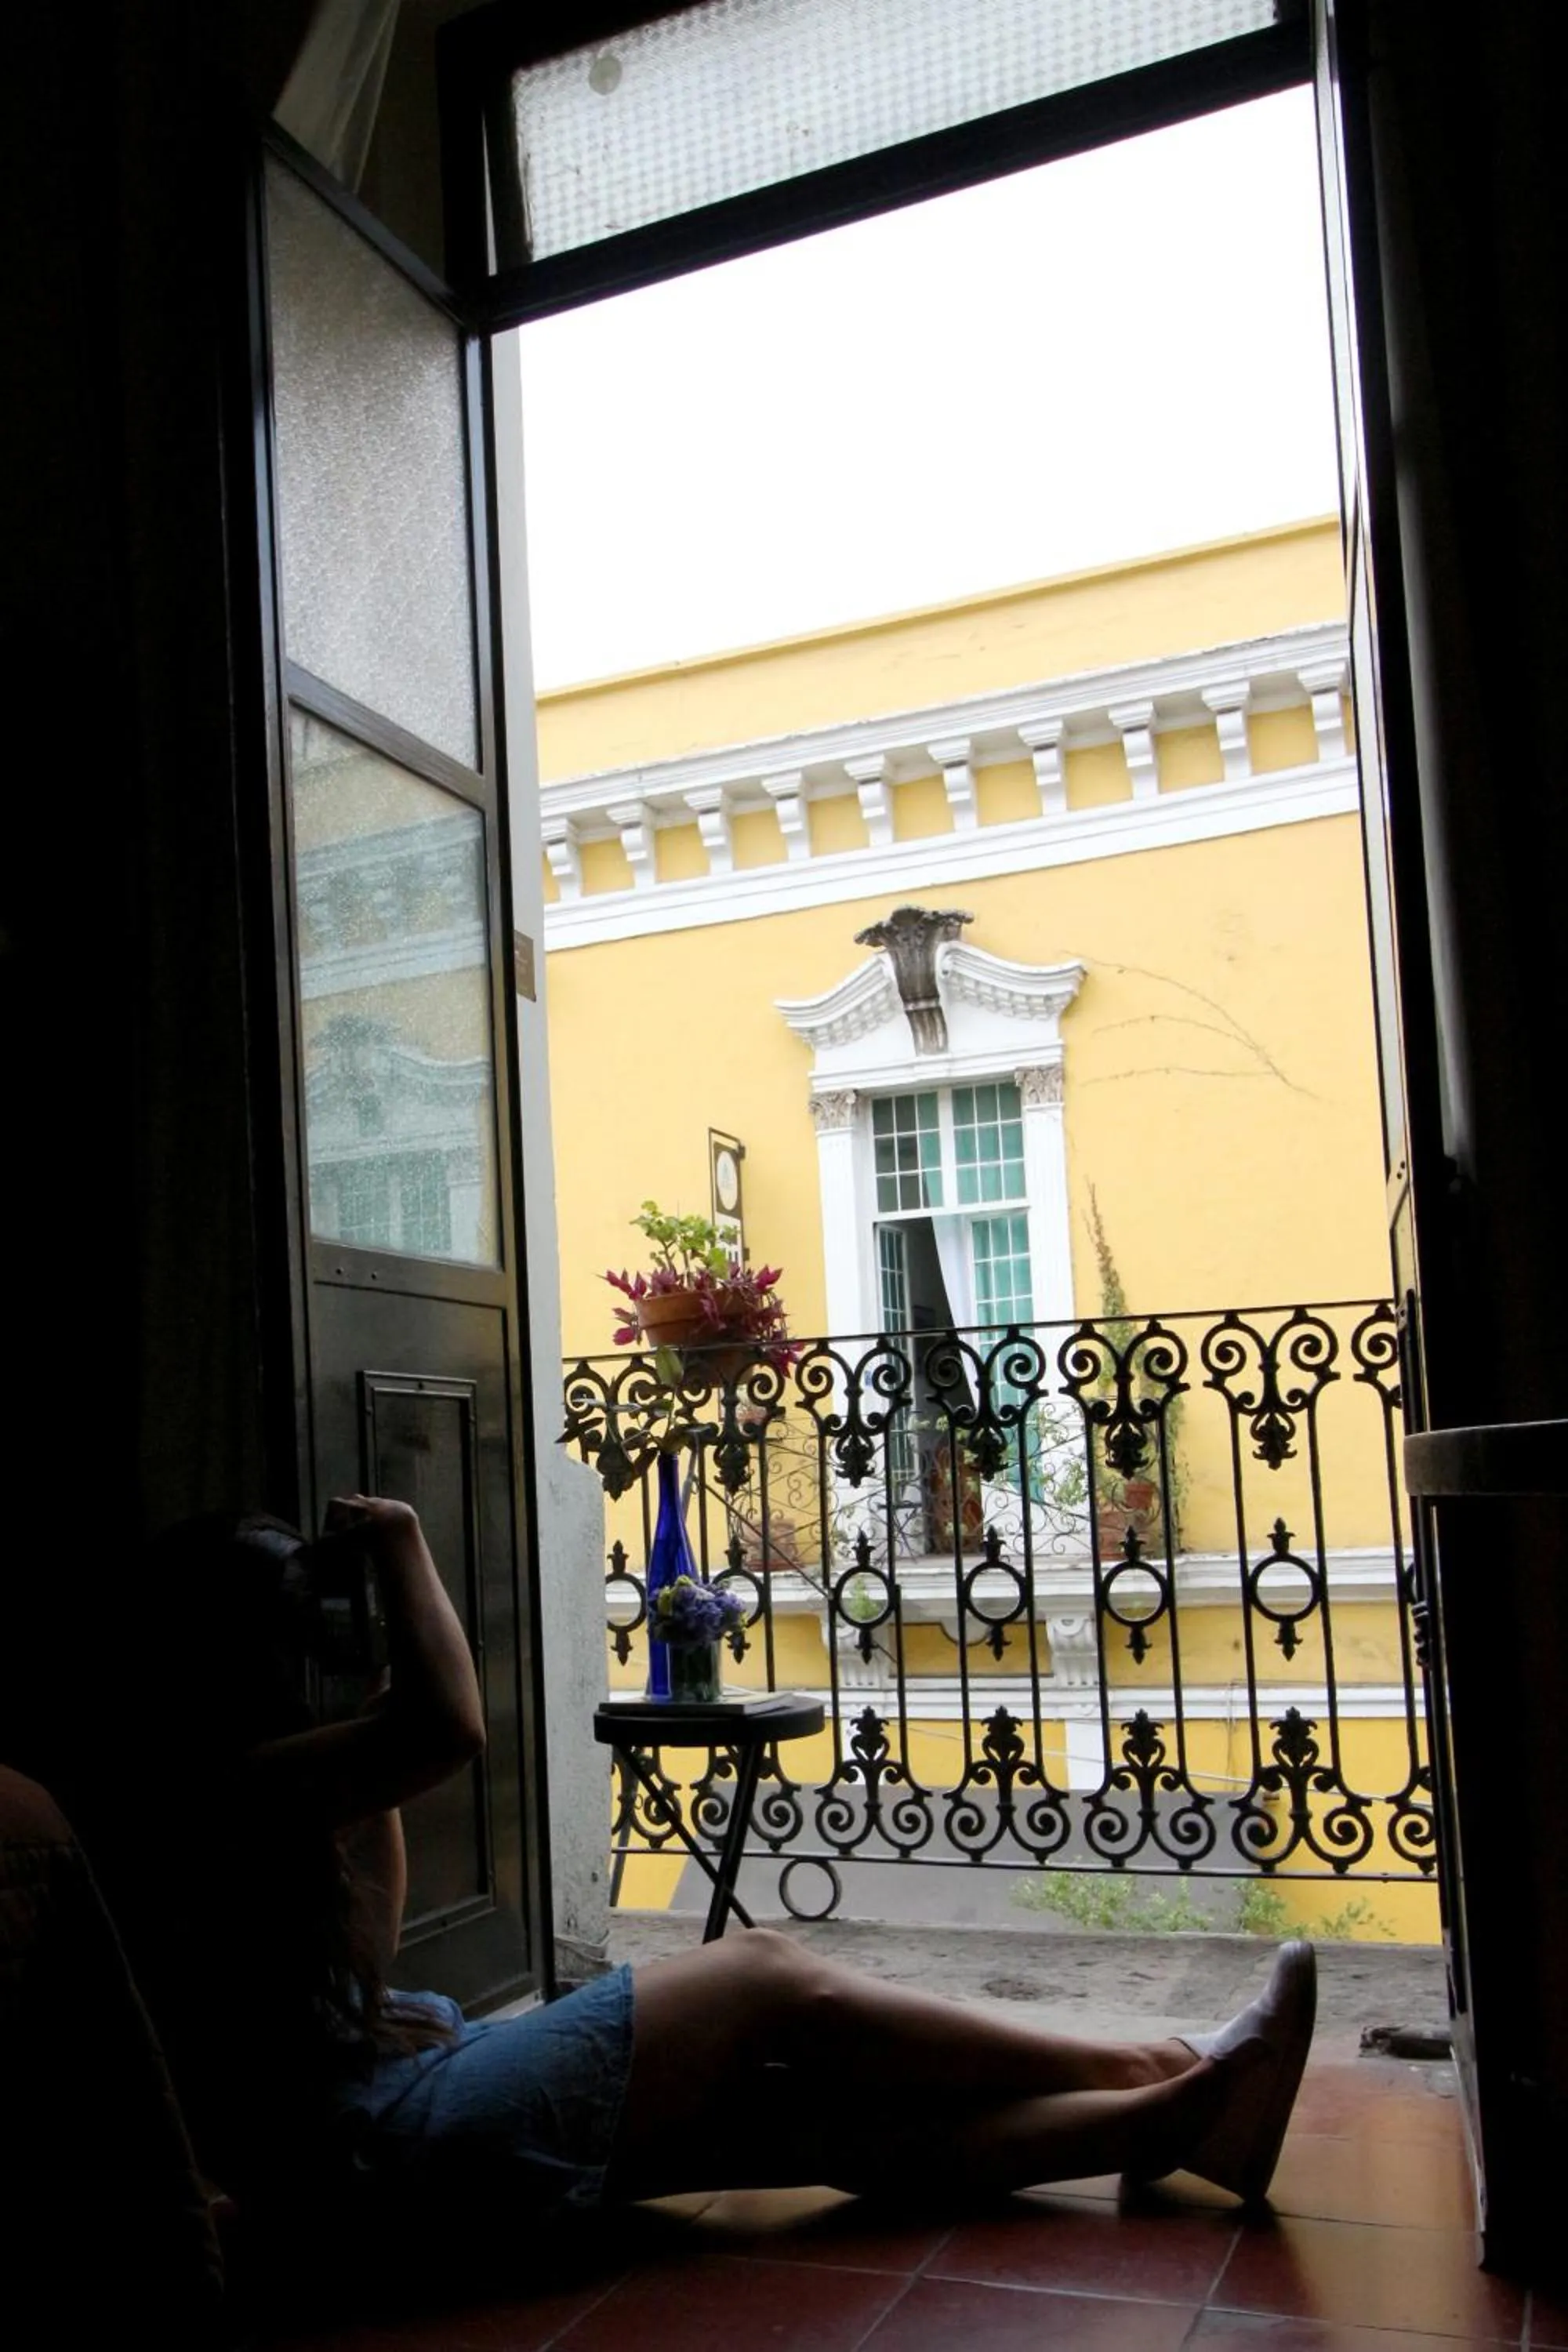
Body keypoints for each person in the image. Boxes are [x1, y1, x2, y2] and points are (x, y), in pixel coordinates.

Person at [91, 1496, 1317, 2299]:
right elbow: (447, 1723)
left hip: (384, 2134)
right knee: (764, 1976)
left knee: (803, 2120)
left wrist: (364, 1765)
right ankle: (1151, 2064)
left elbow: (366, 1950)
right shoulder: (207, 1790)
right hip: (379, 2151)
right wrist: (404, 1541)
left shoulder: (266, 1796)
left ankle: (1175, 2121)